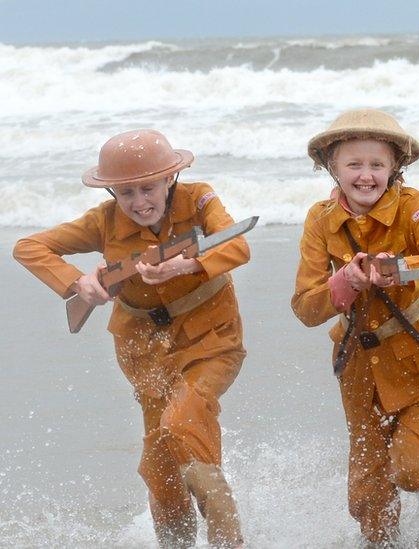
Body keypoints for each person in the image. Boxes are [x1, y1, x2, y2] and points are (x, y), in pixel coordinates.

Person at [13, 129, 249, 548]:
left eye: (148, 188)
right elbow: (28, 247)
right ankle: (174, 541)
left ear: (169, 180)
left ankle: (228, 539)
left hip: (211, 336)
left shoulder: (199, 199)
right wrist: (77, 283)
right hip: (143, 349)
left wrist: (184, 267)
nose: (140, 202)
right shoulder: (102, 222)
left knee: (183, 422)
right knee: (161, 463)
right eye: (126, 193)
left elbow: (236, 245)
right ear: (111, 195)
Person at [291, 109, 419, 543]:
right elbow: (305, 308)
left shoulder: (412, 203)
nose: (366, 176)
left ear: (394, 168)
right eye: (354, 164)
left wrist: (396, 269)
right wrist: (343, 280)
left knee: (415, 475)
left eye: (377, 165)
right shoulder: (318, 218)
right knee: (366, 500)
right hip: (358, 365)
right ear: (332, 166)